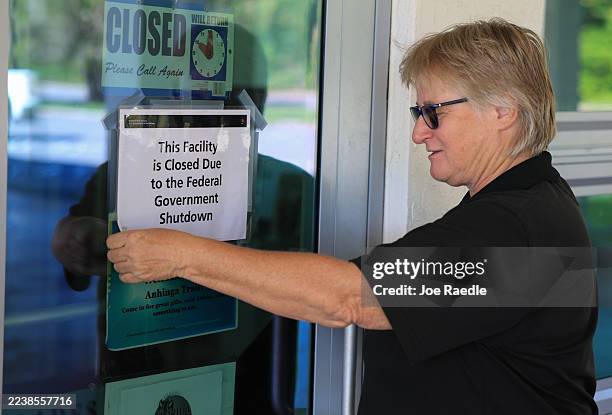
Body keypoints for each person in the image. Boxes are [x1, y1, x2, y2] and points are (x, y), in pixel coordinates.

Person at [107, 19, 598, 414]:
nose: (419, 134)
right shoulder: (527, 205)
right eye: (416, 114)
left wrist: (182, 255)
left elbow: (352, 298)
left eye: (433, 112)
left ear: (503, 111)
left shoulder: (518, 232)